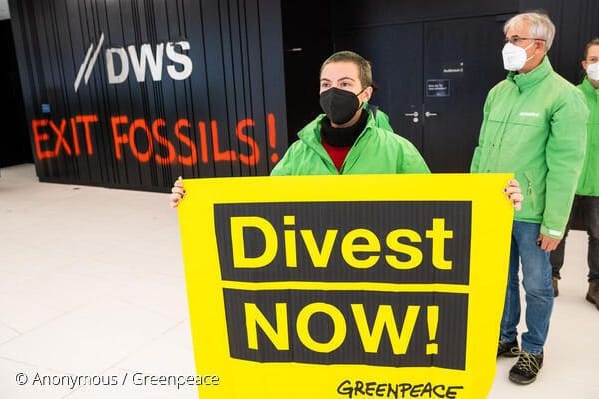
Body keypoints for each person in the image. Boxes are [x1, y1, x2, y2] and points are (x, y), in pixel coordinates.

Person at [172, 50, 523, 204]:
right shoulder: (299, 153)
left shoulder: (397, 151)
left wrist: (494, 198)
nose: (333, 92)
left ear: (365, 93)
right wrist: (196, 199)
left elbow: (440, 209)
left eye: (343, 83)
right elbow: (263, 202)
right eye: (326, 84)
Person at [471, 12, 588, 385]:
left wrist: (554, 223)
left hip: (532, 213)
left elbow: (566, 166)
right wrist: (474, 199)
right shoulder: (498, 92)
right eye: (507, 39)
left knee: (536, 285)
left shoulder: (564, 97)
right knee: (500, 280)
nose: (508, 46)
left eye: (515, 40)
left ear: (538, 46)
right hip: (493, 207)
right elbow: (481, 150)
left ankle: (533, 348)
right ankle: (505, 338)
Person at [550, 38, 599, 306]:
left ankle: (596, 285)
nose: (597, 65)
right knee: (557, 230)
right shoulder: (570, 96)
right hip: (567, 179)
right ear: (584, 64)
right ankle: (551, 277)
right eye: (594, 60)